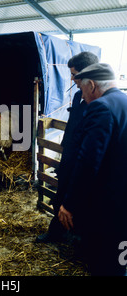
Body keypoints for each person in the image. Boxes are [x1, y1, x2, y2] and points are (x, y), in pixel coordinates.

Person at [58, 63, 127, 276]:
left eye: (82, 89)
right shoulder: (124, 101)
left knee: (104, 260)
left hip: (108, 202)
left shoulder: (101, 107)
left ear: (93, 85)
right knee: (120, 257)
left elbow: (88, 161)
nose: (83, 96)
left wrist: (69, 204)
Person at [36, 51, 99, 243]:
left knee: (85, 199)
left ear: (87, 74)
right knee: (61, 194)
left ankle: (81, 238)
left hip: (85, 160)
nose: (72, 78)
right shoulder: (79, 94)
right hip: (69, 156)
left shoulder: (99, 103)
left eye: (74, 74)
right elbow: (72, 124)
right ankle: (57, 232)